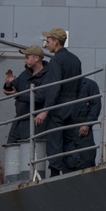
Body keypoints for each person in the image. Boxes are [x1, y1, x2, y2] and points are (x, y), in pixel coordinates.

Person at [34, 27, 82, 175]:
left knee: (55, 142)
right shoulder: (75, 60)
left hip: (59, 106)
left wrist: (45, 110)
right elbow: (80, 85)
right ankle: (71, 173)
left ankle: (55, 174)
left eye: (48, 41)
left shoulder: (56, 60)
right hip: (73, 104)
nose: (46, 44)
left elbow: (54, 86)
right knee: (70, 143)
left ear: (55, 42)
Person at [4, 45, 48, 144]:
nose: (25, 60)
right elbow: (13, 87)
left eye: (27, 57)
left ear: (36, 58)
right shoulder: (26, 74)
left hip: (35, 120)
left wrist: (19, 95)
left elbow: (40, 97)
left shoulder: (47, 75)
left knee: (31, 150)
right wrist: (8, 83)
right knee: (12, 147)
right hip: (19, 118)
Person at [72, 77, 101, 169]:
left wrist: (87, 123)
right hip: (68, 128)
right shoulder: (64, 85)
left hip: (83, 127)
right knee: (69, 162)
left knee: (87, 159)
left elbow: (96, 105)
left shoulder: (89, 84)